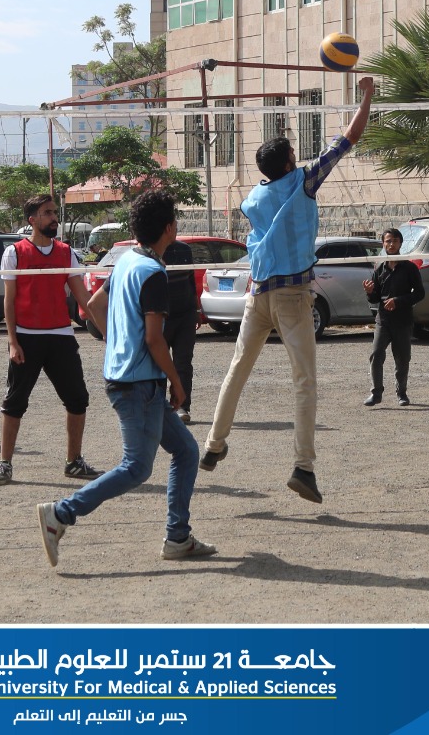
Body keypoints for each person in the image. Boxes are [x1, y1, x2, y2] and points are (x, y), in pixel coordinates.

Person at [199, 76, 376, 505]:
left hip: (257, 294)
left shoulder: (253, 197)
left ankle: (214, 444)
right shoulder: (302, 181)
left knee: (237, 370)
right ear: (288, 162)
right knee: (304, 383)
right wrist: (367, 94)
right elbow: (350, 136)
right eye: (293, 152)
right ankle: (303, 466)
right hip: (293, 296)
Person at [37, 190, 215, 566]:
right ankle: (61, 513)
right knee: (136, 468)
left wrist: (118, 343)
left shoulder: (128, 261)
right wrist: (178, 383)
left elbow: (93, 308)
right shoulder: (152, 272)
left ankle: (178, 538)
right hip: (138, 385)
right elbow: (153, 339)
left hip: (132, 379)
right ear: (170, 228)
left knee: (186, 451)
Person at [0, 195, 99, 487]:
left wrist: (108, 331)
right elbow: (9, 302)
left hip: (60, 336)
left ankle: (73, 462)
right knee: (15, 402)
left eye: (54, 212)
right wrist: (13, 341)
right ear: (32, 220)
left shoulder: (66, 253)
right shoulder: (15, 253)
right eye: (47, 213)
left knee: (77, 399)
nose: (54, 218)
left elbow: (83, 298)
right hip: (26, 336)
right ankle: (4, 464)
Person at [362, 227, 424, 407]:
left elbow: (420, 293)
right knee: (376, 354)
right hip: (383, 320)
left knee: (402, 358)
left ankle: (402, 393)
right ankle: (376, 394)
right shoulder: (379, 267)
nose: (391, 244)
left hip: (403, 320)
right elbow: (375, 298)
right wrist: (370, 292)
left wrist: (398, 301)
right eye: (388, 241)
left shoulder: (409, 268)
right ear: (383, 243)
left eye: (395, 241)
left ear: (400, 244)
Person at [162, 237, 199, 425]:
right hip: (160, 317)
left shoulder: (184, 250)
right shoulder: (151, 253)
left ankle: (182, 407)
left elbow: (191, 281)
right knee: (158, 365)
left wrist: (196, 310)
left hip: (185, 315)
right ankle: (159, 408)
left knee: (183, 364)